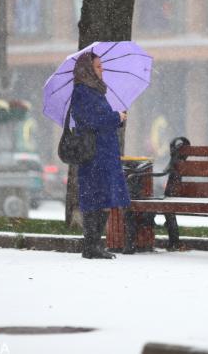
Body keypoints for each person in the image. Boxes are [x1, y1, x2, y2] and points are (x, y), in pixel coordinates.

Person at [71, 51, 130, 259]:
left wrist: (116, 117)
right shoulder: (82, 92)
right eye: (98, 66)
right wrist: (116, 117)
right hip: (94, 154)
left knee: (104, 198)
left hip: (104, 152)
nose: (101, 70)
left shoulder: (96, 91)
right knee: (95, 197)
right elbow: (92, 120)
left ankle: (96, 244)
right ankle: (91, 245)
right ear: (87, 69)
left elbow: (99, 117)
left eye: (102, 66)